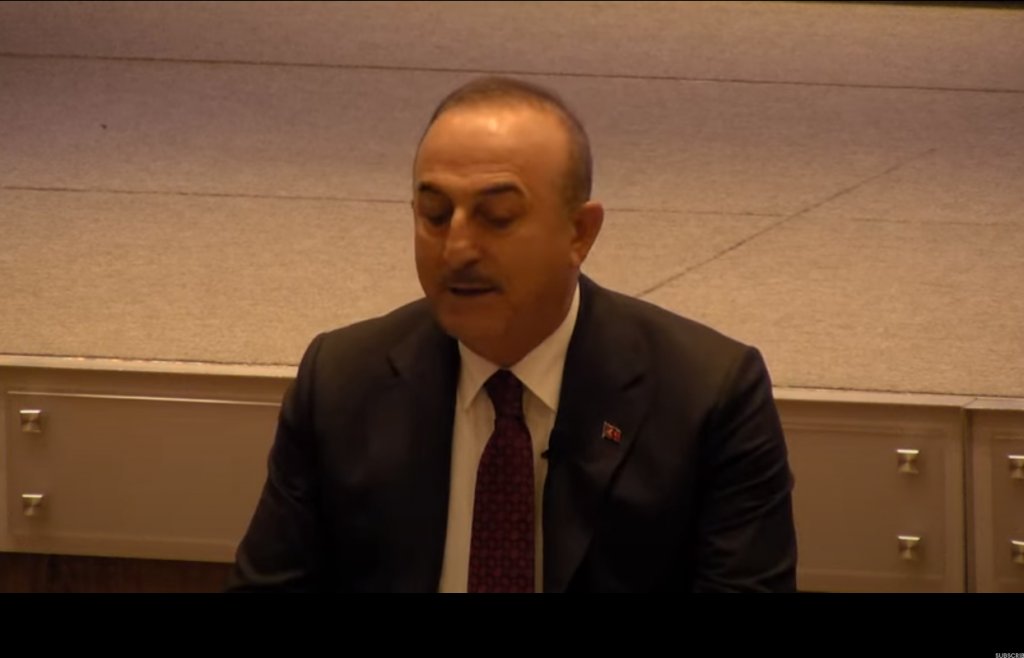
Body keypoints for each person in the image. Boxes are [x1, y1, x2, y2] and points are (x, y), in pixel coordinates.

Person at [227, 76, 797, 592]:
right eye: (434, 214)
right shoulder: (341, 380)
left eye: (496, 217)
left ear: (580, 233)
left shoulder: (707, 395)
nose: (457, 249)